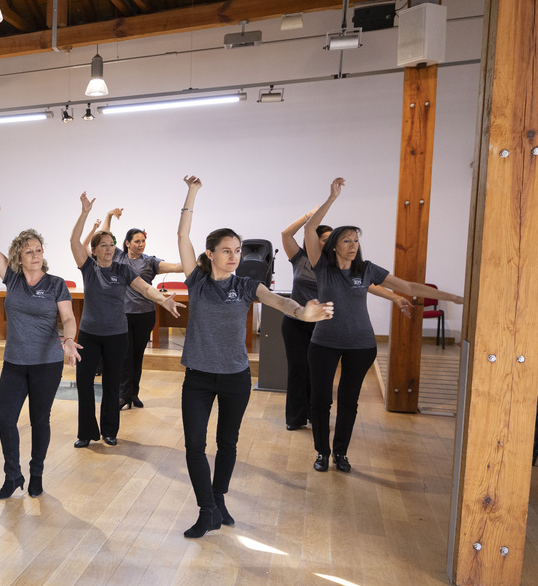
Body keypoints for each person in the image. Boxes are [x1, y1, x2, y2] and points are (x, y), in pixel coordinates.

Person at [177, 176, 332, 538]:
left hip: (235, 378)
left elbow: (281, 302)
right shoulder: (197, 281)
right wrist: (193, 193)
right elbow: (183, 237)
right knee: (194, 446)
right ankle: (206, 510)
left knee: (227, 443)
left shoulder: (247, 285)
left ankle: (219, 499)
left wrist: (303, 313)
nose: (234, 256)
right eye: (227, 250)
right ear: (211, 253)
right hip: (197, 377)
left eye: (238, 250)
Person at [303, 178, 462, 473]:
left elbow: (409, 285)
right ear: (334, 245)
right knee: (321, 400)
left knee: (349, 401)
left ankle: (340, 454)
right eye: (347, 240)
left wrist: (451, 296)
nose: (353, 245)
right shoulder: (322, 266)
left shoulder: (367, 269)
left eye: (356, 240)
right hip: (323, 343)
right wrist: (332, 198)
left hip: (361, 346)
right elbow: (309, 229)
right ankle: (322, 453)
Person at [280, 208, 412, 431]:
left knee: (316, 373)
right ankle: (295, 417)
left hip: (324, 325)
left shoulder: (338, 267)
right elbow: (285, 235)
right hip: (296, 323)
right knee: (297, 369)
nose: (331, 241)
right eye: (325, 238)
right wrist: (308, 216)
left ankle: (315, 414)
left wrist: (395, 296)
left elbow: (368, 284)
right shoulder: (300, 258)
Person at [0, 194, 81, 499]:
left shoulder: (55, 283)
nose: (36, 255)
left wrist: (67, 340)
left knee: (40, 420)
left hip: (46, 363)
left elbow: (67, 317)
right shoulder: (11, 279)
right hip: (14, 362)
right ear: (19, 256)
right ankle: (13, 475)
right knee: (4, 418)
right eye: (29, 251)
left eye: (39, 250)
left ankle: (36, 473)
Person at [70, 192, 181, 448]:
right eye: (104, 245)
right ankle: (86, 432)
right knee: (84, 383)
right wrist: (85, 213)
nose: (109, 249)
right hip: (89, 333)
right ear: (95, 250)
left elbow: (144, 288)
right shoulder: (88, 268)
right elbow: (74, 240)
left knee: (111, 383)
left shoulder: (122, 269)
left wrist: (163, 299)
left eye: (112, 244)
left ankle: (110, 431)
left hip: (116, 335)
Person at [98, 208, 184, 409]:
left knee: (137, 356)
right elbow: (104, 238)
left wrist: (200, 263)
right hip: (122, 316)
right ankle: (123, 395)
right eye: (136, 241)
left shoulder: (150, 262)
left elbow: (174, 267)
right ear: (127, 243)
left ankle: (132, 394)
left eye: (143, 241)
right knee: (125, 356)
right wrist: (109, 216)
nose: (141, 244)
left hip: (145, 316)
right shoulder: (118, 257)